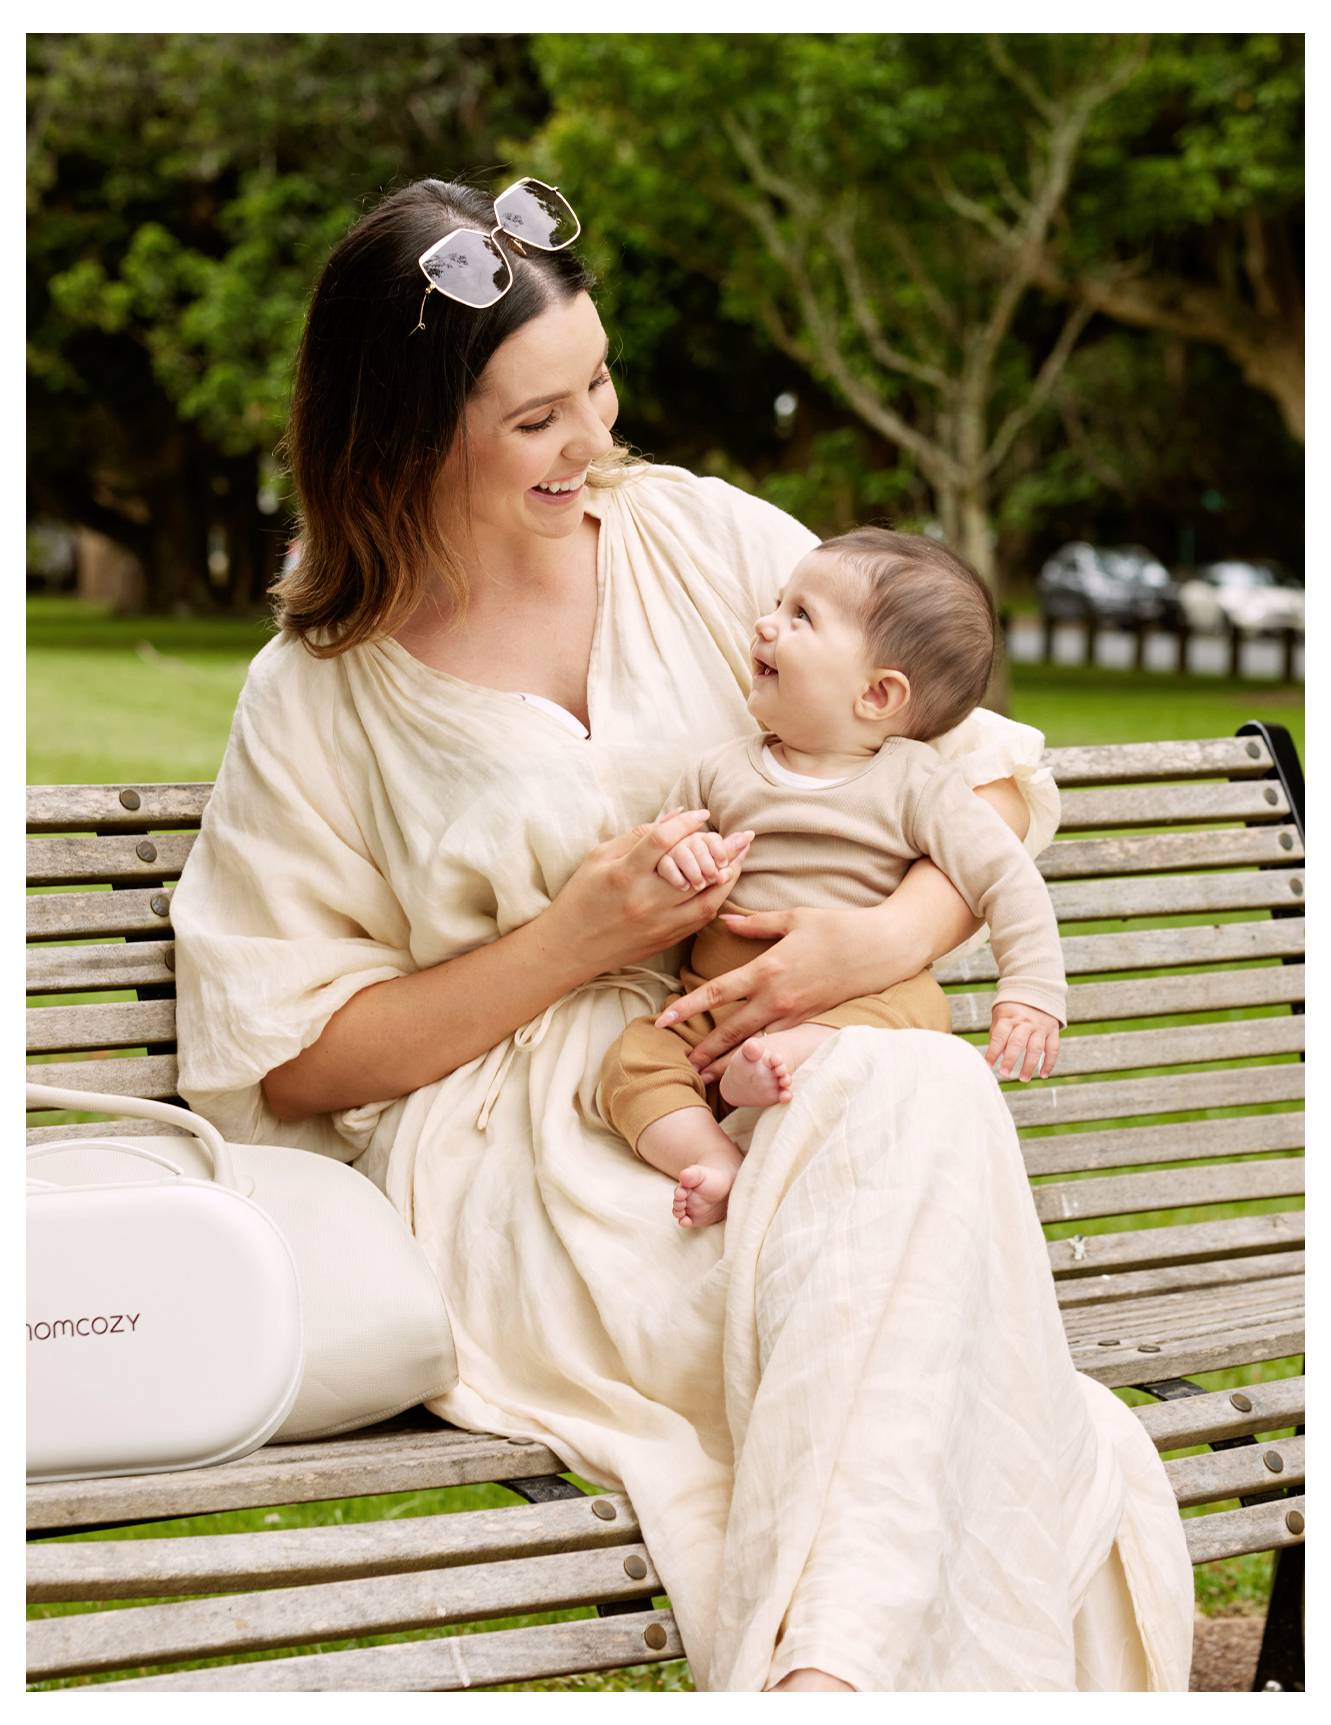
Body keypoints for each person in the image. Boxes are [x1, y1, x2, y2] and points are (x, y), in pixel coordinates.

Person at [170, 177, 1193, 1692]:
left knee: (910, 1096)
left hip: (806, 1086)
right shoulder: (320, 691)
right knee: (1024, 1418)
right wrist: (576, 938)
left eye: (594, 383)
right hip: (549, 1163)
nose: (589, 438)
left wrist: (872, 944)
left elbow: (971, 762)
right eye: (534, 420)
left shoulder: (702, 540)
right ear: (401, 431)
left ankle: (817, 1677)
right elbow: (295, 1061)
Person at [597, 528, 1067, 1227]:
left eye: (800, 616)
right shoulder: (718, 770)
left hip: (862, 1002)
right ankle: (717, 1160)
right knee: (631, 1061)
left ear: (877, 694)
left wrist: (1031, 990)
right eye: (777, 603)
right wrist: (682, 861)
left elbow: (1006, 879)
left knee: (911, 1022)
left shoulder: (915, 784)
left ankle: (791, 1060)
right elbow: (665, 855)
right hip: (716, 1006)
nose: (765, 623)